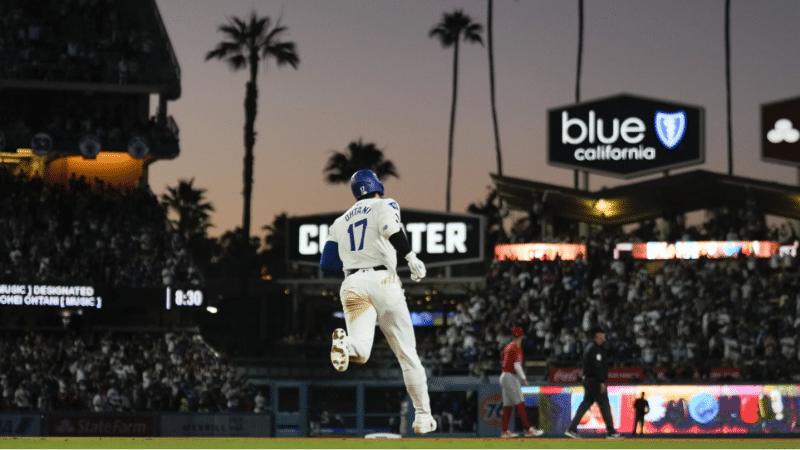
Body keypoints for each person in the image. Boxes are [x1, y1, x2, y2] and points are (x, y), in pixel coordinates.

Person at [320, 169, 435, 435]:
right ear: (376, 186)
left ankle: (344, 343)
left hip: (351, 285)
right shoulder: (385, 204)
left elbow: (327, 264)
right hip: (383, 280)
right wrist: (411, 257)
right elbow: (390, 229)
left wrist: (354, 267)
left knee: (360, 352)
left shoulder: (338, 222)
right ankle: (422, 417)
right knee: (407, 355)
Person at [564, 325, 624, 439]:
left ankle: (571, 429)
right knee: (604, 404)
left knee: (586, 404)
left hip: (590, 380)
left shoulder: (592, 347)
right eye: (602, 333)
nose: (604, 335)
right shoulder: (595, 348)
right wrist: (601, 381)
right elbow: (597, 367)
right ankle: (611, 431)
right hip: (595, 381)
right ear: (597, 335)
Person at [499, 326, 545, 438]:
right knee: (520, 402)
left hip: (503, 375)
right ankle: (528, 429)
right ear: (519, 337)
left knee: (508, 405)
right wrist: (524, 378)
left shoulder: (507, 346)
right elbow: (516, 365)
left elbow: (502, 361)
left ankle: (505, 431)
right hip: (510, 376)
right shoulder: (516, 348)